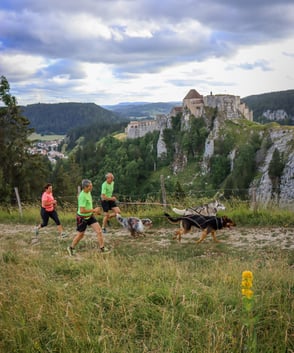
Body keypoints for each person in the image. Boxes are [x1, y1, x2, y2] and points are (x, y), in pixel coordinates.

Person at [67, 179, 110, 256]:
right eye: (90, 186)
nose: (92, 187)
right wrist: (94, 210)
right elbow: (82, 210)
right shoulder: (82, 196)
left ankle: (102, 248)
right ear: (85, 187)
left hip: (90, 216)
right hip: (82, 218)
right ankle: (71, 247)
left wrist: (95, 212)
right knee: (81, 235)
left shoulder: (88, 192)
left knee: (99, 231)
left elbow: (88, 206)